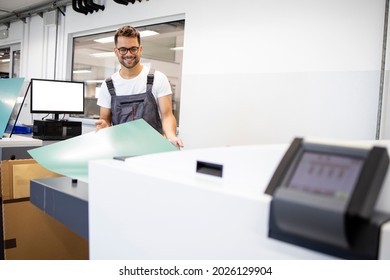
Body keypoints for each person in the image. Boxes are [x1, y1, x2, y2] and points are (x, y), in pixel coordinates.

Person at [96, 25, 184, 148]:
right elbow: (104, 119)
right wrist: (104, 127)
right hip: (120, 148)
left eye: (133, 49)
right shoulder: (108, 85)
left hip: (152, 148)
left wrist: (171, 136)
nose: (128, 54)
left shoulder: (158, 78)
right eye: (123, 49)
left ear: (140, 49)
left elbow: (167, 116)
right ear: (116, 51)